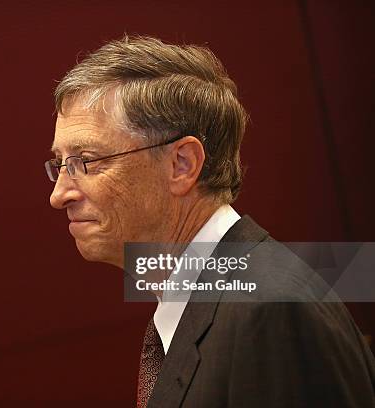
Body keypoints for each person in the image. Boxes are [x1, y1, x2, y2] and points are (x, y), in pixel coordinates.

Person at [45, 35, 375, 407]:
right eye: (60, 165)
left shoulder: (270, 312)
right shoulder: (228, 302)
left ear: (181, 165)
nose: (59, 195)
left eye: (86, 161)